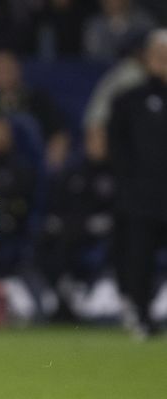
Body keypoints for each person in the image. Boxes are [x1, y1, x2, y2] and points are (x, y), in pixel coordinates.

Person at [108, 28, 167, 339]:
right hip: (141, 197)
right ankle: (140, 316)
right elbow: (116, 148)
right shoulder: (129, 100)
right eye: (160, 55)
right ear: (148, 58)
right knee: (138, 259)